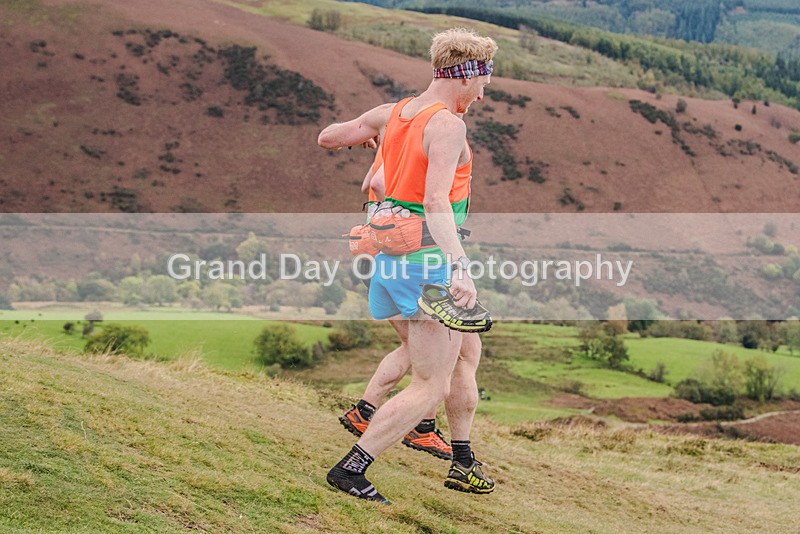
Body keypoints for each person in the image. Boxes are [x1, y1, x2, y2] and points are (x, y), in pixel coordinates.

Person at [318, 27, 497, 503]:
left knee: (464, 355)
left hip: (390, 261)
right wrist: (461, 268)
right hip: (427, 263)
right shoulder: (447, 126)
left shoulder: (392, 113)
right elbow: (436, 202)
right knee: (429, 383)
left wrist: (370, 141)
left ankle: (462, 460)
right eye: (483, 82)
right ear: (467, 74)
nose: (482, 94)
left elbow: (328, 137)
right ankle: (352, 468)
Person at [341, 147, 482, 462]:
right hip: (411, 263)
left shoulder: (391, 143)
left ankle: (372, 413)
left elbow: (371, 182)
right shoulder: (419, 143)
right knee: (434, 359)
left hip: (382, 256)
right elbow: (380, 181)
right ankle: (414, 430)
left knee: (427, 351)